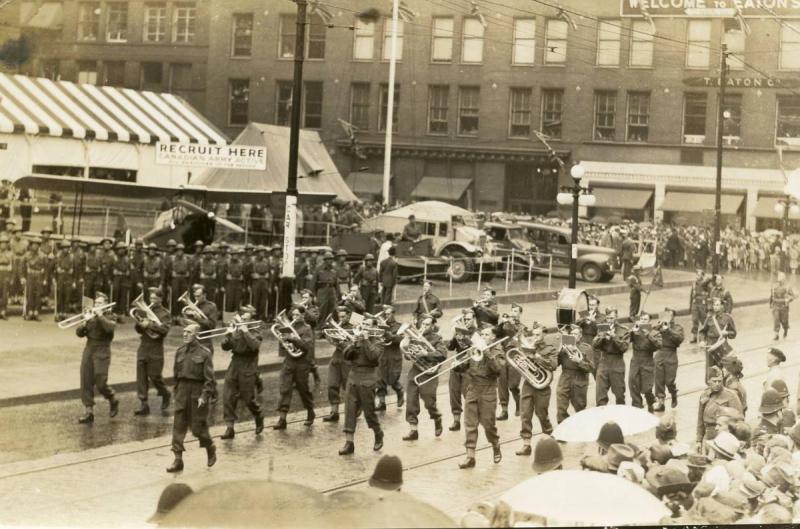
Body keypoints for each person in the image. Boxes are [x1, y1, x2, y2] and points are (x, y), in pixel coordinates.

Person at [166, 323, 216, 472]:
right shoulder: (179, 351)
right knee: (178, 427)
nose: (185, 334)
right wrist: (176, 393)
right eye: (184, 332)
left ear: (196, 335)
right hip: (182, 391)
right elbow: (176, 375)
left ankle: (210, 447)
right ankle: (178, 460)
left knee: (197, 429)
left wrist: (204, 396)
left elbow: (210, 380)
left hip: (197, 392)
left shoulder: (205, 353)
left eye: (189, 332)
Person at [456, 325, 505, 469]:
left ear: (493, 337)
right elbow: (464, 365)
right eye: (482, 334)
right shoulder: (474, 348)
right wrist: (456, 365)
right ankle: (470, 457)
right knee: (470, 424)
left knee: (488, 424)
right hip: (472, 388)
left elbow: (498, 369)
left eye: (486, 335)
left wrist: (487, 352)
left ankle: (495, 444)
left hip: (488, 389)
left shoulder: (497, 350)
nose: (483, 337)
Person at [339, 316, 383, 455]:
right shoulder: (357, 338)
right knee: (349, 410)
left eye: (368, 324)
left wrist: (365, 340)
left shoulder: (379, 341)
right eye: (363, 323)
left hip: (368, 378)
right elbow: (346, 355)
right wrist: (353, 343)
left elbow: (374, 357)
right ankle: (349, 443)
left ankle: (378, 432)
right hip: (353, 377)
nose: (364, 326)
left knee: (369, 412)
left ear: (374, 327)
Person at [220, 305, 264, 440]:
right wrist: (227, 335)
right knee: (228, 397)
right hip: (235, 363)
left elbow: (255, 346)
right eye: (242, 315)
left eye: (247, 316)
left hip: (248, 365)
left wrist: (245, 331)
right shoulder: (236, 328)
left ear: (252, 317)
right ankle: (230, 428)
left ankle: (258, 416)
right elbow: (225, 347)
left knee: (248, 398)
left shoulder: (256, 329)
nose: (243, 318)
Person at [76, 292, 120, 424]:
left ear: (106, 305)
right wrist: (84, 323)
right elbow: (79, 333)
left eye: (100, 303)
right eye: (96, 303)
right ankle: (89, 411)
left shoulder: (111, 316)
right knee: (86, 379)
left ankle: (112, 397)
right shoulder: (91, 316)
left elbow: (109, 329)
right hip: (89, 348)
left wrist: (100, 315)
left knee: (100, 381)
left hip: (102, 349)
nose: (97, 305)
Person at [402, 315, 446, 441]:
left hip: (429, 373)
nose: (424, 327)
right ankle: (413, 430)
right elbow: (407, 355)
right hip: (416, 370)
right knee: (411, 401)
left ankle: (436, 417)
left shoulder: (437, 338)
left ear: (432, 326)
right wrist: (408, 350)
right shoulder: (414, 337)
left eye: (427, 324)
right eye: (423, 324)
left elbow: (442, 354)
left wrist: (426, 353)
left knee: (429, 401)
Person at [515, 327, 558, 455]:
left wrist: (537, 357)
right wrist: (522, 361)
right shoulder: (526, 347)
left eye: (538, 335)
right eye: (533, 334)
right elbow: (518, 364)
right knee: (525, 415)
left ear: (544, 335)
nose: (535, 337)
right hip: (528, 384)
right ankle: (526, 444)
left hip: (542, 386)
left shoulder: (550, 349)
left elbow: (553, 365)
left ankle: (550, 437)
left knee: (542, 414)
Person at [273, 305, 315, 430]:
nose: (294, 317)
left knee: (303, 389)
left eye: (297, 315)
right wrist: (282, 342)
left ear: (303, 315)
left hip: (302, 363)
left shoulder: (307, 328)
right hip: (289, 361)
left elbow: (306, 346)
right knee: (284, 389)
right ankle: (282, 419)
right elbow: (283, 347)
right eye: (293, 315)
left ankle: (310, 411)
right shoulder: (286, 327)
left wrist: (293, 339)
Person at [133, 287, 172, 416]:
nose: (152, 301)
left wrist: (149, 325)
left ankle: (165, 393)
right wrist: (140, 323)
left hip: (156, 348)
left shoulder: (165, 313)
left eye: (155, 298)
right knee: (141, 376)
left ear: (161, 299)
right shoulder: (144, 311)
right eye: (151, 298)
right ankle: (144, 404)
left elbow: (164, 331)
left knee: (155, 376)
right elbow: (138, 330)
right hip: (144, 346)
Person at [697, 366, 743, 452]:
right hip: (707, 437)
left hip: (723, 437)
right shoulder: (704, 395)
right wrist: (698, 440)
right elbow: (700, 420)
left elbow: (739, 420)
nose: (717, 383)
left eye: (720, 381)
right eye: (714, 381)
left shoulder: (731, 395)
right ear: (708, 381)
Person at [555, 324, 594, 423]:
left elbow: (591, 368)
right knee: (561, 408)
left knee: (580, 409)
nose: (573, 336)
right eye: (571, 334)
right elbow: (555, 364)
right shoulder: (564, 347)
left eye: (575, 334)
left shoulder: (586, 348)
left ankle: (579, 430)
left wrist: (579, 361)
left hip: (579, 379)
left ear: (580, 336)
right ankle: (563, 429)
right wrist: (559, 349)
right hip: (565, 378)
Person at [323, 305, 354, 422]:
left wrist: (344, 342)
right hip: (336, 357)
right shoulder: (337, 326)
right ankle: (334, 412)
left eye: (343, 317)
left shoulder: (354, 328)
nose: (341, 319)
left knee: (348, 387)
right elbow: (331, 340)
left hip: (348, 359)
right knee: (332, 385)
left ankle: (354, 409)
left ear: (349, 316)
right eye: (339, 317)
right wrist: (329, 335)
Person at [447, 310, 477, 430]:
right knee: (453, 392)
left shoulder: (477, 333)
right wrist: (453, 335)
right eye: (465, 319)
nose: (466, 322)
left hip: (469, 366)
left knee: (468, 394)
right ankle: (456, 420)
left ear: (474, 320)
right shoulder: (458, 331)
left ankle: (472, 419)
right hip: (457, 363)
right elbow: (450, 347)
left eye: (469, 319)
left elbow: (476, 349)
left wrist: (465, 338)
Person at [594, 307, 629, 406]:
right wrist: (602, 337)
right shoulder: (602, 328)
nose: (610, 320)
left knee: (619, 394)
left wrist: (614, 337)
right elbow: (595, 345)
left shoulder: (623, 330)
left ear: (616, 317)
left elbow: (624, 348)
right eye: (608, 318)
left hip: (617, 362)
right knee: (600, 394)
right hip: (604, 362)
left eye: (612, 318)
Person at [628, 313, 661, 412]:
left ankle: (651, 401)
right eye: (641, 319)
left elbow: (659, 345)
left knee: (647, 388)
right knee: (633, 384)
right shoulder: (636, 330)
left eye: (645, 319)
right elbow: (625, 341)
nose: (643, 321)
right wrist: (632, 332)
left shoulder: (655, 333)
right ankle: (637, 406)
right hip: (636, 359)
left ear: (649, 321)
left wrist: (648, 335)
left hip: (647, 360)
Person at [653, 308, 684, 412]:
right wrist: (657, 327)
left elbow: (679, 340)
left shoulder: (677, 327)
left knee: (669, 381)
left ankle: (673, 392)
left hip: (671, 353)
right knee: (658, 379)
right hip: (660, 352)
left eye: (669, 315)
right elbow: (651, 335)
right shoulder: (659, 326)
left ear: (673, 317)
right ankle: (661, 401)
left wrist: (668, 330)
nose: (667, 317)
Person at [496, 304, 523, 420]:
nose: (513, 313)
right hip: (503, 355)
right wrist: (501, 323)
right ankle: (504, 410)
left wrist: (511, 325)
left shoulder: (522, 327)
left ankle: (518, 404)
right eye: (512, 311)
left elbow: (518, 338)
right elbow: (496, 334)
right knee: (501, 384)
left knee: (513, 385)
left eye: (516, 311)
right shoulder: (505, 325)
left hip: (515, 357)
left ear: (520, 313)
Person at [375, 304, 404, 411]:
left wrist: (387, 332)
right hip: (383, 355)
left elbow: (399, 340)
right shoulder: (379, 326)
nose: (386, 316)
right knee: (380, 378)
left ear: (393, 314)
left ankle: (399, 391)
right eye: (385, 314)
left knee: (392, 378)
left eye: (388, 314)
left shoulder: (399, 326)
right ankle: (382, 403)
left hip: (393, 355)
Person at [22, 238, 46, 321]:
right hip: (30, 276)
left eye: (37, 244)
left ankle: (36, 313)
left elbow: (46, 269)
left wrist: (45, 279)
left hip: (39, 276)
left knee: (38, 295)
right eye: (33, 244)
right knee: (30, 294)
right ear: (31, 245)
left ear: (39, 246)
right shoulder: (27, 255)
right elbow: (23, 268)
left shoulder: (42, 256)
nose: (35, 246)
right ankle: (29, 312)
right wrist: (23, 277)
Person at [312, 251, 337, 326]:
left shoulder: (334, 269)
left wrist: (337, 295)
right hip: (322, 291)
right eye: (329, 259)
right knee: (322, 309)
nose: (331, 260)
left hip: (331, 291)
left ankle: (328, 326)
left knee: (331, 308)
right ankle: (319, 327)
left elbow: (336, 283)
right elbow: (313, 282)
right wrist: (313, 295)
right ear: (325, 260)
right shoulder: (319, 269)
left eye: (331, 259)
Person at [769, 272, 794, 340]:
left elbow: (792, 296)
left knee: (784, 321)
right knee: (776, 320)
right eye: (779, 279)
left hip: (784, 307)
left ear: (784, 279)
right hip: (776, 306)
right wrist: (770, 304)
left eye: (781, 279)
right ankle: (776, 335)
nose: (780, 281)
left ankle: (785, 329)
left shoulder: (787, 287)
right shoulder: (774, 286)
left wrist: (788, 299)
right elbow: (771, 295)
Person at [689, 268, 708, 344]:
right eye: (696, 274)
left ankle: (705, 336)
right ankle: (694, 337)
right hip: (695, 303)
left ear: (702, 276)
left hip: (702, 304)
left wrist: (707, 306)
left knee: (703, 320)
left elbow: (709, 294)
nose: (697, 276)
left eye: (699, 275)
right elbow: (691, 295)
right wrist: (690, 306)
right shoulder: (694, 284)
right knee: (694, 320)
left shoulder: (705, 284)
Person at [0, 234, 11, 319]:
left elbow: (11, 266)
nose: (3, 245)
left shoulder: (10, 254)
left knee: (5, 294)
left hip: (6, 273)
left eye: (5, 243)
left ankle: (3, 311)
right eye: (1, 243)